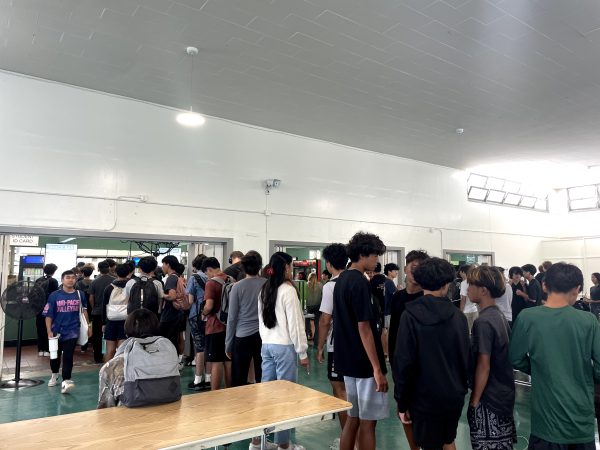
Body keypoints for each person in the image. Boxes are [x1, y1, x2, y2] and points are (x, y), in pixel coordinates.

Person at [510, 262, 600, 449]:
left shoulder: (527, 318)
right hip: (581, 419)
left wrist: (539, 368)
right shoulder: (589, 321)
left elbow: (515, 358)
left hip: (546, 421)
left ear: (544, 286)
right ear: (577, 289)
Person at [394, 257, 470, 450]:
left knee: (429, 444)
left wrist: (402, 402)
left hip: (423, 398)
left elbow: (404, 362)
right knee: (447, 440)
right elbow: (465, 358)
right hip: (453, 395)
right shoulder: (458, 317)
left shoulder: (410, 315)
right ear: (447, 284)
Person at [334, 232, 388, 450]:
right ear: (364, 254)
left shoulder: (342, 280)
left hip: (347, 360)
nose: (377, 260)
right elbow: (364, 327)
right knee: (368, 423)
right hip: (364, 363)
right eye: (375, 255)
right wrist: (377, 368)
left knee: (353, 417)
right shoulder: (359, 282)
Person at [259, 252, 309, 450]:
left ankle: (258, 442)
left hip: (267, 346)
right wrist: (303, 352)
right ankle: (284, 445)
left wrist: (266, 341)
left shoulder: (264, 288)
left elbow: (261, 321)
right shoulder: (288, 291)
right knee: (285, 399)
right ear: (287, 268)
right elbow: (296, 325)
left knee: (266, 397)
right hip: (284, 348)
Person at [467, 266, 516, 450]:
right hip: (503, 395)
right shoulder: (498, 315)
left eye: (471, 284)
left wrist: (474, 401)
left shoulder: (484, 322)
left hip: (490, 400)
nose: (467, 288)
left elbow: (484, 365)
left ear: (483, 290)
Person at [388, 250, 429, 450]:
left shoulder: (429, 299)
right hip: (401, 366)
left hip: (425, 369)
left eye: (418, 267)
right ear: (405, 269)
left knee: (426, 418)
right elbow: (392, 331)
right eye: (410, 266)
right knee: (404, 413)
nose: (413, 270)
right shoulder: (397, 298)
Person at [97, 309, 171, 408]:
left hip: (129, 420)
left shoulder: (112, 366)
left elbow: (105, 409)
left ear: (127, 332)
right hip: (167, 416)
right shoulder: (167, 357)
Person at [317, 243, 348, 449]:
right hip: (360, 346)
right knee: (354, 391)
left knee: (340, 391)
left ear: (328, 263)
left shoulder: (331, 286)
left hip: (338, 346)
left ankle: (348, 439)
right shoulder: (360, 280)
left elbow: (325, 320)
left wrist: (319, 347)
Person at [43, 270, 91, 394]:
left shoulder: (80, 294)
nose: (70, 280)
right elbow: (48, 315)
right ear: (62, 280)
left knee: (68, 356)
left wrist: (88, 326)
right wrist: (49, 330)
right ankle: (54, 374)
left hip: (72, 330)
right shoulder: (54, 295)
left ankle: (66, 380)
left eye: (73, 278)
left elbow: (84, 311)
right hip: (56, 331)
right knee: (55, 356)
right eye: (68, 277)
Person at [225, 251, 265, 388]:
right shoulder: (267, 285)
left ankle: (239, 407)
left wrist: (228, 344)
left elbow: (232, 318)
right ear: (260, 266)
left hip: (242, 336)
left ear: (243, 267)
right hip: (263, 335)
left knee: (238, 378)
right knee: (263, 375)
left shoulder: (237, 287)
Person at [201, 257, 232, 390]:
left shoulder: (211, 283)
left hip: (215, 326)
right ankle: (231, 390)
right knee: (228, 360)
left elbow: (209, 305)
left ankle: (215, 394)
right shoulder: (231, 279)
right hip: (229, 326)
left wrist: (203, 313)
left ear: (209, 270)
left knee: (216, 362)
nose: (207, 276)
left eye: (207, 273)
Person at [186, 254, 210, 391]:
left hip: (196, 315)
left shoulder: (193, 278)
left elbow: (189, 301)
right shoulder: (213, 278)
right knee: (208, 347)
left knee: (199, 348)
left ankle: (197, 380)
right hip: (210, 316)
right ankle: (208, 378)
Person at [102, 263, 131, 362]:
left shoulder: (109, 288)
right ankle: (121, 374)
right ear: (129, 273)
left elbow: (104, 306)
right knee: (122, 351)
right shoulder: (131, 286)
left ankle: (106, 373)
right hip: (126, 321)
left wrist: (104, 323)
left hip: (111, 320)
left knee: (110, 350)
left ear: (115, 272)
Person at [88, 260, 115, 363]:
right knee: (111, 335)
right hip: (111, 313)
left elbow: (91, 298)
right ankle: (110, 357)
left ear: (98, 269)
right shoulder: (114, 281)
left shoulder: (94, 281)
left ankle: (97, 358)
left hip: (97, 312)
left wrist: (94, 307)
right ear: (109, 268)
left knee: (97, 336)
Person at [160, 255, 184, 350]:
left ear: (168, 264)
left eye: (163, 264)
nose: (162, 267)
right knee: (174, 338)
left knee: (167, 339)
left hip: (170, 314)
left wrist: (161, 294)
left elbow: (172, 296)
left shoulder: (171, 278)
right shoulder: (178, 277)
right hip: (177, 313)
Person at [35, 263, 59, 357]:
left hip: (38, 308)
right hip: (49, 309)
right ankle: (48, 350)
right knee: (49, 329)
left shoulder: (38, 280)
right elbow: (54, 296)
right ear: (53, 271)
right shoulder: (53, 281)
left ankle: (40, 349)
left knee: (40, 329)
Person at [382, 263, 399, 358]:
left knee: (385, 332)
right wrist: (399, 290)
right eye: (395, 271)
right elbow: (395, 297)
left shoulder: (384, 281)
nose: (396, 273)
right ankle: (388, 353)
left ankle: (385, 352)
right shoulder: (390, 282)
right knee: (388, 332)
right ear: (389, 272)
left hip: (384, 311)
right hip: (388, 311)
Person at [459, 264, 478, 333]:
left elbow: (463, 299)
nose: (459, 273)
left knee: (466, 332)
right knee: (475, 332)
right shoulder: (475, 281)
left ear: (463, 272)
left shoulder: (464, 283)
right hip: (475, 310)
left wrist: (460, 312)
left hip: (466, 311)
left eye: (460, 272)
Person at [305, 272, 323, 344]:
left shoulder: (306, 285)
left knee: (307, 321)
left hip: (308, 307)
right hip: (318, 307)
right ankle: (316, 340)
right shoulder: (320, 285)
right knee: (316, 323)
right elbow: (322, 296)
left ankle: (306, 337)